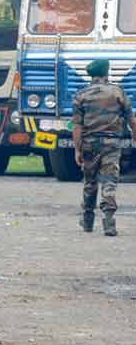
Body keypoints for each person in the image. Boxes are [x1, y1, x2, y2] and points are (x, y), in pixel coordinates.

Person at [72, 58, 136, 236]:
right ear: (106, 73)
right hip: (112, 144)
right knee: (109, 181)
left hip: (89, 144)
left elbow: (77, 127)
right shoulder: (118, 93)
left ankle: (87, 220)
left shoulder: (81, 95)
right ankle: (109, 221)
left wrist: (77, 149)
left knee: (90, 182)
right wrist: (134, 135)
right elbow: (132, 119)